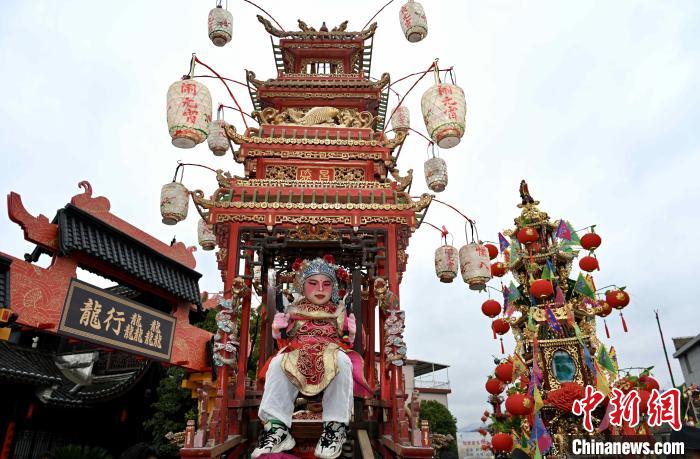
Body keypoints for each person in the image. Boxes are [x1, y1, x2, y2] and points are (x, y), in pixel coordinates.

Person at [252, 256, 371, 459]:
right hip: (298, 353)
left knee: (342, 361)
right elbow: (284, 339)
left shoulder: (339, 311)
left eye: (326, 284)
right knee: (278, 363)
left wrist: (353, 334)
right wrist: (277, 331)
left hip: (331, 353)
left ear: (333, 288)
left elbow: (355, 343)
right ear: (303, 286)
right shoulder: (293, 311)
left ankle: (335, 428)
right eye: (313, 283)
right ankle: (277, 428)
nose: (320, 289)